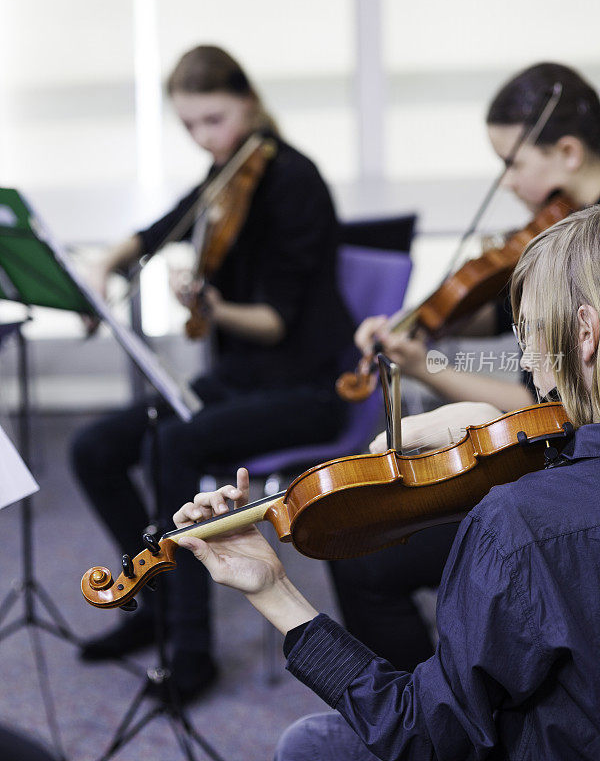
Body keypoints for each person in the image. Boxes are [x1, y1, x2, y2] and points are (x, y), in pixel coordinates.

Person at [173, 204, 600, 759]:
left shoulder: (517, 524)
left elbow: (421, 737)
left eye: (533, 336)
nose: (529, 362)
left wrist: (272, 590)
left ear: (586, 333)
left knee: (306, 745)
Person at [71, 45, 354, 701]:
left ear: (249, 102)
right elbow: (165, 225)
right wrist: (105, 264)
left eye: (215, 119)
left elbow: (278, 323)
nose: (206, 136)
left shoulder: (293, 180)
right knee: (94, 448)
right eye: (191, 125)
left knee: (172, 443)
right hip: (239, 380)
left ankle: (190, 652)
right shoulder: (226, 172)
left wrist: (214, 306)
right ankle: (156, 603)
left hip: (307, 385)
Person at [328, 61, 600, 672]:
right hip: (559, 455)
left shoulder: (581, 258)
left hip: (568, 473)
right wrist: (431, 317)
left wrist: (424, 364)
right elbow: (498, 321)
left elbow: (541, 409)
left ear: (568, 151)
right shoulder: (563, 234)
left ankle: (438, 722)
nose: (504, 181)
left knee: (367, 559)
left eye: (513, 163)